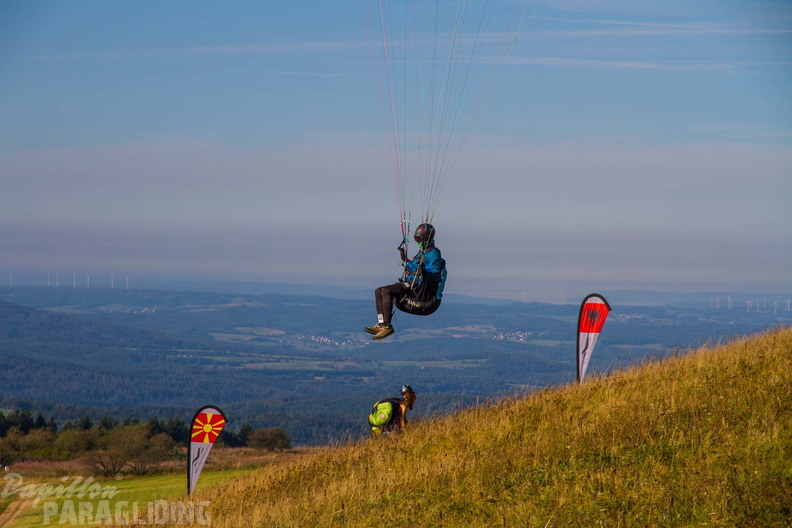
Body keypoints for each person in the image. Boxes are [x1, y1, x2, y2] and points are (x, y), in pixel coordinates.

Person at [365, 223, 443, 340]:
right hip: (412, 281)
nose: (417, 241)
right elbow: (414, 268)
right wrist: (405, 260)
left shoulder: (434, 253)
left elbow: (435, 274)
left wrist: (424, 271)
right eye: (415, 239)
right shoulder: (423, 252)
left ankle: (387, 326)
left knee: (386, 291)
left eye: (419, 239)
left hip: (418, 286)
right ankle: (381, 324)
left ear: (426, 238)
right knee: (378, 291)